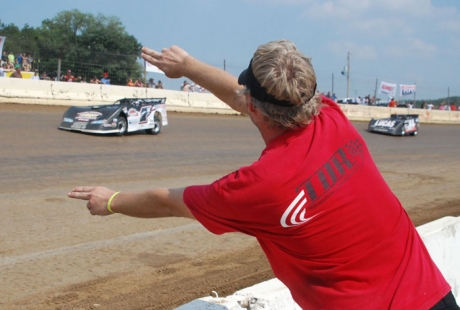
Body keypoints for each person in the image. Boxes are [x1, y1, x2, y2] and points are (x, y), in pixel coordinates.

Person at [68, 40, 457, 309]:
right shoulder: (333, 118)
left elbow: (168, 201)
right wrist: (187, 67)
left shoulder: (258, 188)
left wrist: (112, 201)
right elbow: (248, 98)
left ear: (253, 108)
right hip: (435, 295)